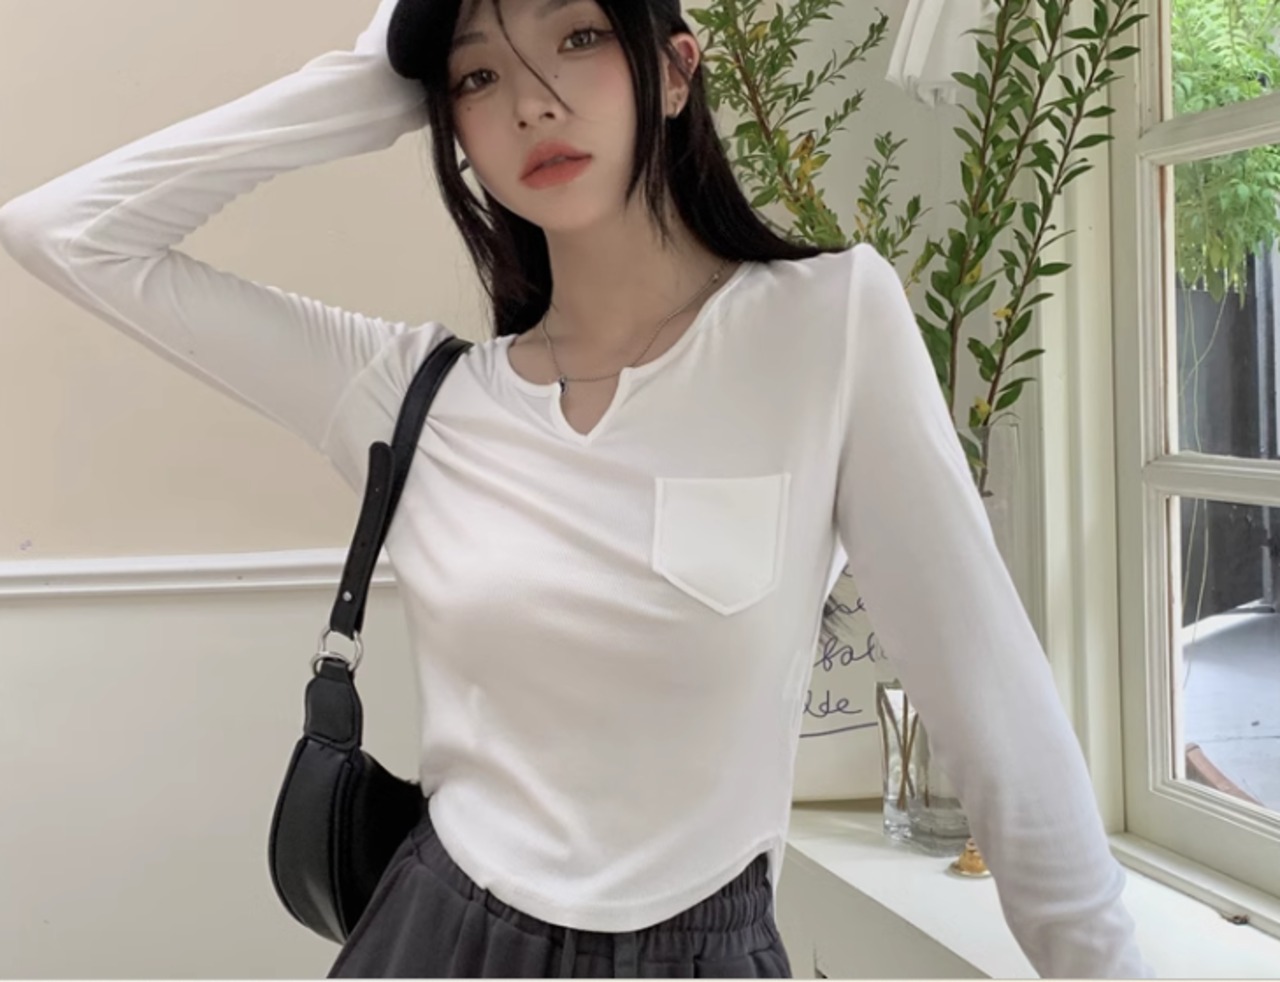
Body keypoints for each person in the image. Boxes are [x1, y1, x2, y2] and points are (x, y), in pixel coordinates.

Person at [0, 0, 1154, 977]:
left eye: (579, 38)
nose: (531, 103)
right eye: (480, 76)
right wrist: (379, 78)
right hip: (433, 934)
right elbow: (63, 231)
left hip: (701, 948)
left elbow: (990, 699)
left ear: (673, 70)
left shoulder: (825, 325)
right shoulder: (416, 394)